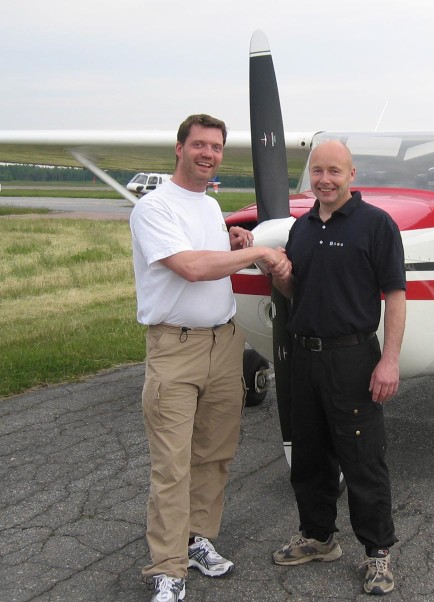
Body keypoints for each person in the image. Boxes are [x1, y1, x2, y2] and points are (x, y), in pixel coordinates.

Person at [130, 114, 289, 602]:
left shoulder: (211, 206)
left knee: (215, 455)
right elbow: (192, 267)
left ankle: (197, 539)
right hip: (175, 348)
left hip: (225, 343)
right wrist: (258, 253)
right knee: (172, 464)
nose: (208, 154)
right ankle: (167, 568)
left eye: (216, 147)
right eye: (199, 145)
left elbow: (209, 252)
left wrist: (232, 240)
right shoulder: (153, 208)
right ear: (179, 149)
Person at [270, 140, 406, 595]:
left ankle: (378, 553)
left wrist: (389, 360)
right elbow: (296, 291)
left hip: (352, 357)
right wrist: (281, 276)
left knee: (362, 458)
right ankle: (318, 537)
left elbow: (396, 295)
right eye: (317, 171)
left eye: (334, 171)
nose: (324, 180)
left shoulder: (376, 225)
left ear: (351, 174)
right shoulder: (302, 227)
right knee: (309, 455)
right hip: (304, 357)